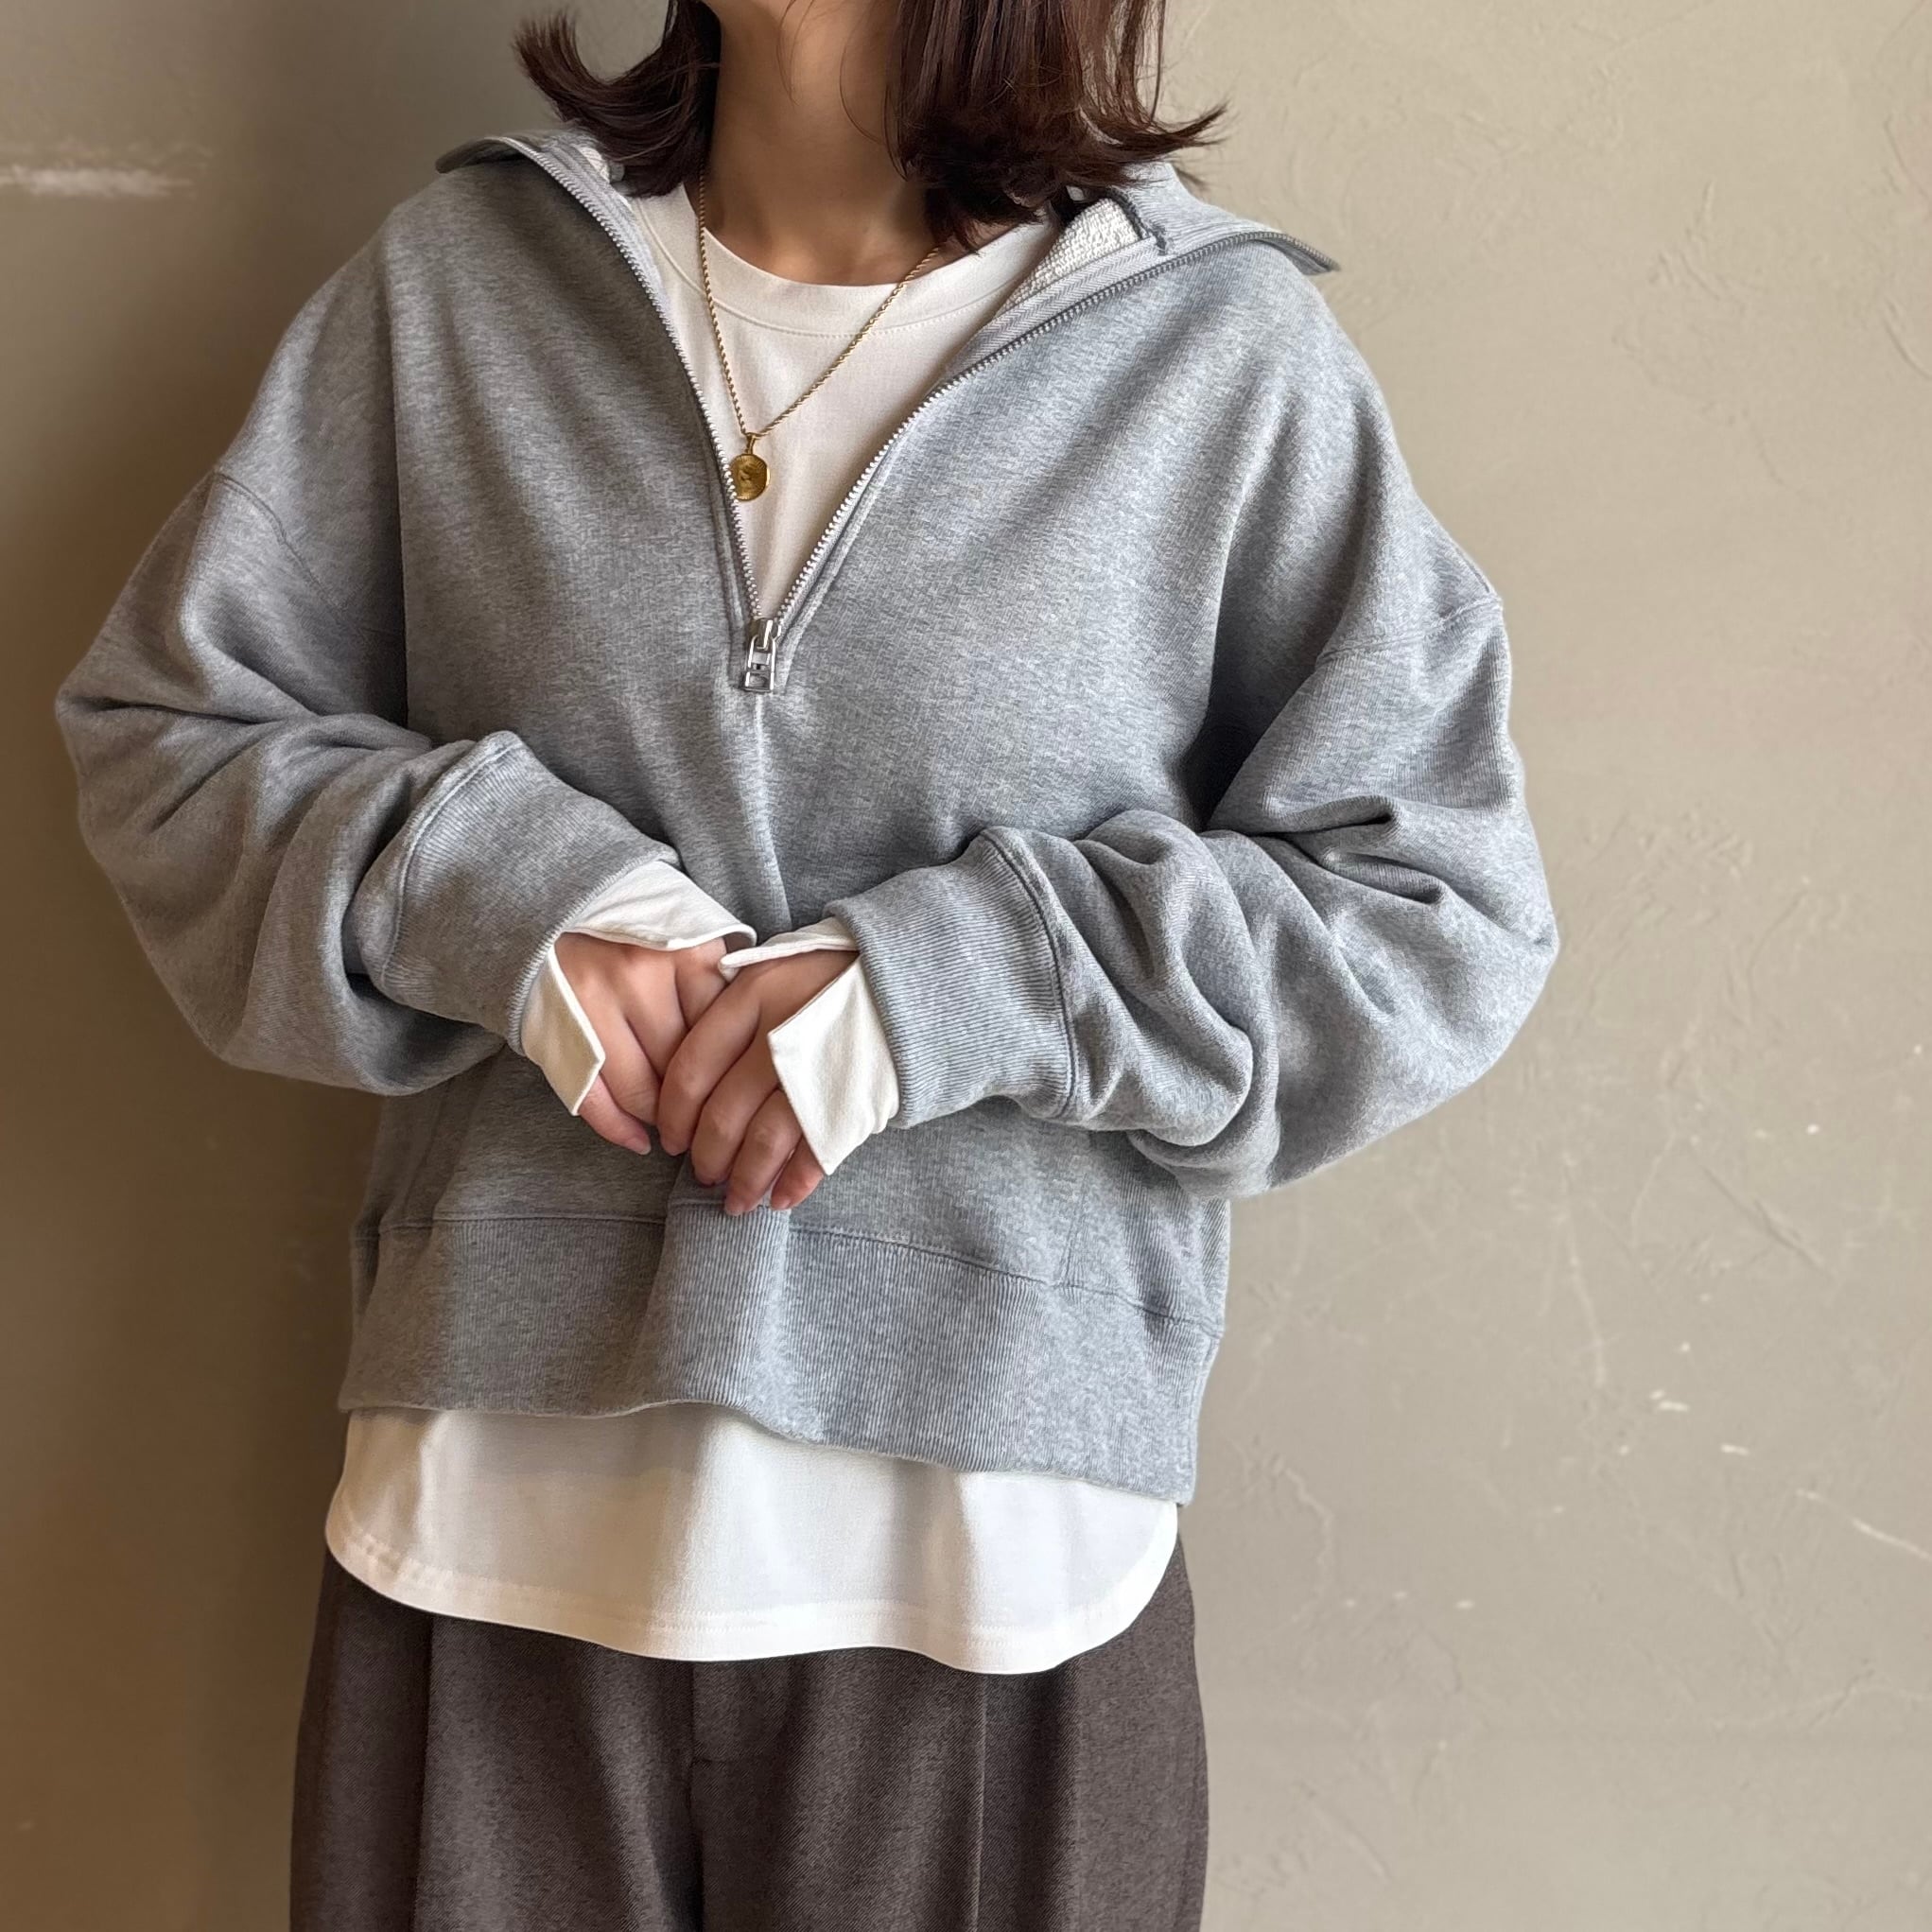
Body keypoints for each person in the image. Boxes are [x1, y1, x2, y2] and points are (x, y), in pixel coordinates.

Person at [51, 0, 1560, 1924]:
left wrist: (963, 982)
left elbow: (1431, 904)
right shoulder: (461, 290)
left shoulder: (1211, 350)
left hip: (1002, 1579)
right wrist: (511, 907)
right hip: (483, 1539)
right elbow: (170, 739)